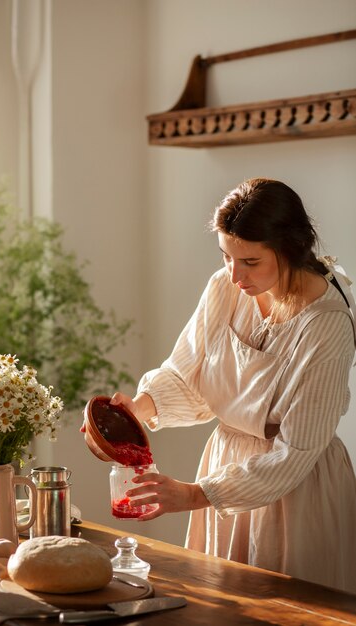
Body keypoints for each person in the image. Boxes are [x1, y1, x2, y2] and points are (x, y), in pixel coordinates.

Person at [110, 177, 356, 594]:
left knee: (285, 607)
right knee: (220, 606)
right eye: (226, 256)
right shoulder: (224, 287)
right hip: (224, 463)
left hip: (295, 487)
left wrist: (194, 494)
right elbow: (187, 372)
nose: (235, 274)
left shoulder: (326, 322)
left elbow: (296, 452)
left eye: (251, 261)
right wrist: (139, 409)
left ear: (291, 248)